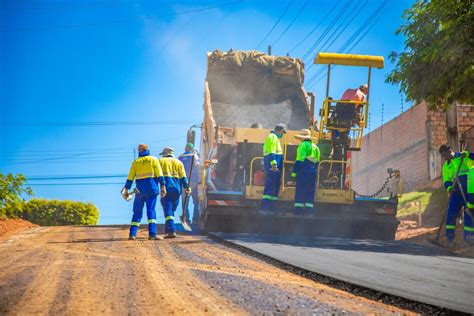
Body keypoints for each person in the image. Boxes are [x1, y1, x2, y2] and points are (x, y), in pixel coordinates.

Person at [123, 144, 166, 240]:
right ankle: (152, 234)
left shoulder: (135, 162)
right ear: (148, 150)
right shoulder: (154, 159)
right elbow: (159, 174)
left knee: (137, 212)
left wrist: (126, 189)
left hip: (139, 191)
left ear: (139, 152)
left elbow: (130, 177)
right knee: (151, 211)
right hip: (151, 189)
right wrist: (163, 186)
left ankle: (132, 234)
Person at [439, 145, 474, 244]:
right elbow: (446, 180)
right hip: (456, 193)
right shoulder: (446, 166)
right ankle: (450, 239)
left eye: (445, 154)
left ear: (450, 151)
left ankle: (469, 239)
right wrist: (449, 188)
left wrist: (468, 154)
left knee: (469, 213)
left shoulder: (463, 157)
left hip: (468, 191)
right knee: (451, 214)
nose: (444, 158)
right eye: (442, 156)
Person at [159, 147, 190, 238]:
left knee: (167, 209)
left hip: (166, 188)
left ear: (165, 153)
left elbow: (157, 175)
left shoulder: (161, 161)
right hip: (177, 189)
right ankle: (169, 229)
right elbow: (183, 178)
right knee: (172, 209)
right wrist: (187, 187)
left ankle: (171, 231)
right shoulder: (179, 162)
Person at [291, 129, 320, 216]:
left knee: (301, 190)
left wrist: (293, 174)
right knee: (310, 191)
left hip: (303, 172)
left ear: (302, 138)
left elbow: (299, 160)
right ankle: (309, 211)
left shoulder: (303, 145)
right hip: (313, 172)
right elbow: (318, 161)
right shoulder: (315, 147)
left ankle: (298, 211)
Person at [260, 123, 286, 214]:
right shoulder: (272, 137)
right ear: (280, 130)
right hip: (273, 167)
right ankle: (265, 209)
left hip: (275, 167)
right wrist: (274, 164)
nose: (283, 135)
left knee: (274, 187)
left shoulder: (275, 138)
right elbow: (271, 152)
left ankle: (271, 209)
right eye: (283, 132)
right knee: (270, 187)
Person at [178, 143, 201, 225]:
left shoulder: (180, 157)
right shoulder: (194, 156)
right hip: (194, 181)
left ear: (185, 148)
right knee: (196, 201)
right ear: (192, 149)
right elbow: (198, 166)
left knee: (184, 202)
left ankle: (186, 219)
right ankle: (195, 219)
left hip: (184, 182)